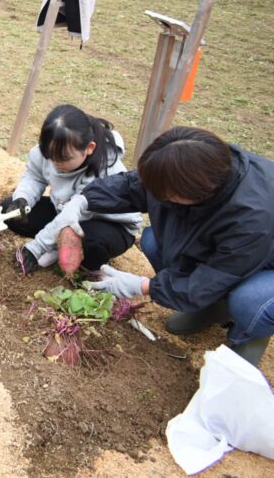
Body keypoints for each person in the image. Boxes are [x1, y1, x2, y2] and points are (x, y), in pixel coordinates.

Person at [70, 127, 274, 368]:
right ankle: (212, 308)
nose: (158, 197)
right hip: (234, 257)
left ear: (198, 192)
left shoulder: (250, 217)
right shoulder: (194, 168)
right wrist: (83, 200)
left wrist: (141, 285)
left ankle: (248, 338)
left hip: (266, 263)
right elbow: (133, 186)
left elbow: (220, 272)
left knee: (248, 302)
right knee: (154, 242)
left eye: (167, 195)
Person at [2, 105, 141, 275]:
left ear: (89, 148)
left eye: (63, 158)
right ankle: (57, 244)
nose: (54, 162)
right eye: (49, 156)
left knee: (90, 243)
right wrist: (22, 199)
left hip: (109, 224)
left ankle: (90, 264)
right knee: (10, 212)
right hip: (64, 209)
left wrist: (36, 248)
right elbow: (34, 176)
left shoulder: (103, 170)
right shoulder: (51, 149)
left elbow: (73, 214)